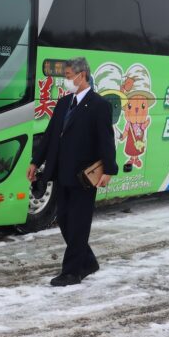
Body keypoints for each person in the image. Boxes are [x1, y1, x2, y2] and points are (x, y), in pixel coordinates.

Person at [27, 57, 118, 287]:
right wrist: (35, 162)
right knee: (65, 220)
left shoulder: (99, 105)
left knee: (79, 224)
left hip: (83, 176)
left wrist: (109, 169)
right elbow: (50, 135)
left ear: (82, 75)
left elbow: (106, 140)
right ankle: (88, 261)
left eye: (68, 76)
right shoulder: (64, 103)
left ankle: (72, 272)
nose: (65, 80)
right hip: (62, 172)